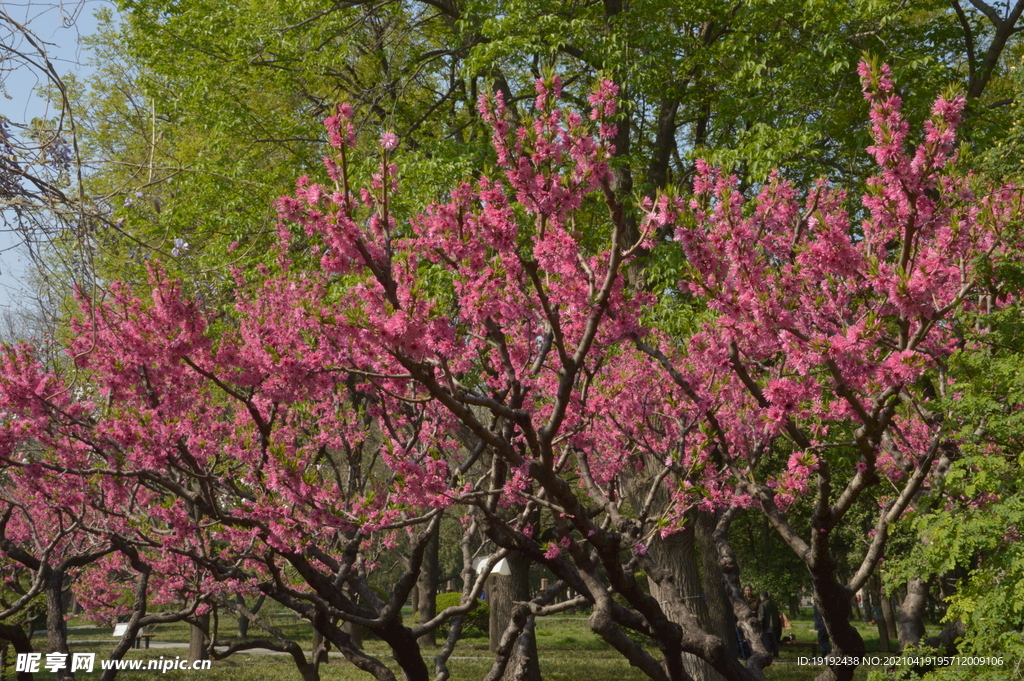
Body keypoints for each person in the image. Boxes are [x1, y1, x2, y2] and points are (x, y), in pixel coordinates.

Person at [757, 591, 782, 658]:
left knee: (767, 643)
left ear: (761, 596)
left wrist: (760, 628)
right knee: (774, 641)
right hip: (775, 625)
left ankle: (768, 656)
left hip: (767, 627)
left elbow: (761, 617)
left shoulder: (762, 605)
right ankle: (776, 655)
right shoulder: (773, 603)